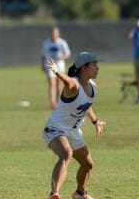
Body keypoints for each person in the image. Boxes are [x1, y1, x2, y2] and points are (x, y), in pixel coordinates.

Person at [42, 52, 106, 199]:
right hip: (55, 129)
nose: (97, 68)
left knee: (88, 164)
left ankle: (80, 193)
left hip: (73, 131)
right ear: (83, 68)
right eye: (94, 65)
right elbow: (68, 82)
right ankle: (54, 194)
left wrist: (95, 122)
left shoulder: (92, 87)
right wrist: (57, 72)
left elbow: (86, 105)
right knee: (66, 154)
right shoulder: (74, 84)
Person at [42, 27, 71, 109]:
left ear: (58, 34)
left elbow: (68, 54)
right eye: (52, 33)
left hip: (59, 65)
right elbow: (43, 55)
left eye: (55, 33)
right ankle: (53, 103)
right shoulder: (46, 43)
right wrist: (42, 66)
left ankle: (59, 102)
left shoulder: (62, 43)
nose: (54, 35)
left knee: (59, 84)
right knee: (52, 83)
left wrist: (61, 56)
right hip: (49, 64)